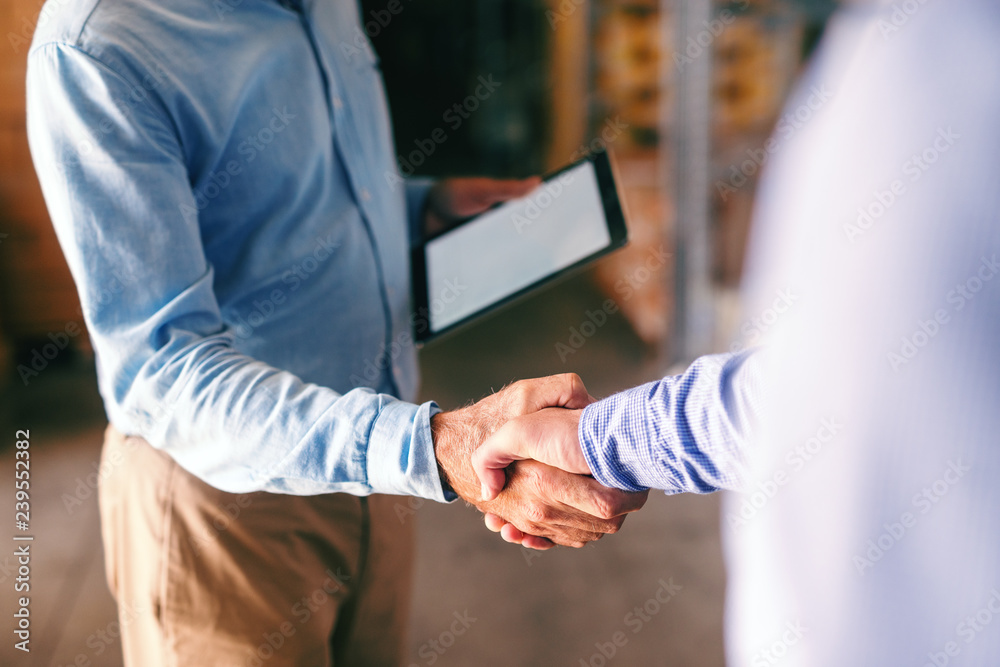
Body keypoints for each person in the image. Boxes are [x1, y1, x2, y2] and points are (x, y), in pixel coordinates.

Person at [26, 0, 646, 664]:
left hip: (380, 462)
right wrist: (432, 444)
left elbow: (300, 191)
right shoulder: (96, 51)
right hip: (230, 511)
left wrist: (421, 206)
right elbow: (162, 370)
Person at [474, 1, 1000, 664]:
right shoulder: (916, 59)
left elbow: (856, 406)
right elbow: (819, 388)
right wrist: (601, 441)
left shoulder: (944, 74)